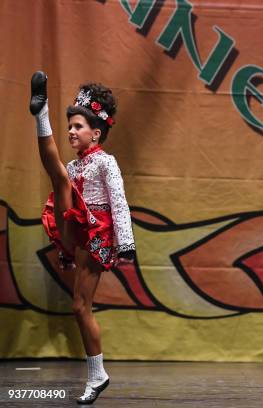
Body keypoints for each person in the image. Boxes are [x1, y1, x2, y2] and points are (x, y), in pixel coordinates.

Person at [30, 71, 136, 404]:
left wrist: (127, 243)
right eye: (70, 126)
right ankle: (98, 374)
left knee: (59, 177)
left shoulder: (106, 161)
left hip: (98, 233)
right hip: (77, 228)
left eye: (78, 127)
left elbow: (118, 200)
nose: (72, 131)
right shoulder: (77, 167)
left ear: (97, 132)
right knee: (79, 308)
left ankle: (41, 114)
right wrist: (65, 247)